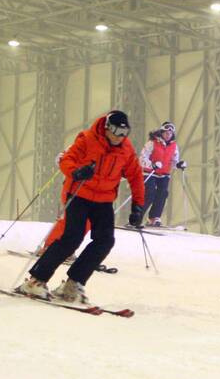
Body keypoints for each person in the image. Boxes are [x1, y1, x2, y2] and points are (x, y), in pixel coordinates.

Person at [18, 111, 145, 304]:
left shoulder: (125, 149)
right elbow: (67, 159)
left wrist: (138, 205)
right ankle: (36, 280)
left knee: (105, 241)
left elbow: (135, 176)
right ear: (107, 128)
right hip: (80, 194)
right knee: (72, 238)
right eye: (117, 131)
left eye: (125, 132)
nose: (120, 137)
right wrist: (77, 172)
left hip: (104, 199)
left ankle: (73, 283)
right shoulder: (87, 139)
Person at [138, 121, 187, 226]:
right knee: (149, 194)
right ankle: (137, 216)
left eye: (170, 133)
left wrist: (178, 164)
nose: (168, 135)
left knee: (162, 194)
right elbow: (142, 157)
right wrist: (152, 165)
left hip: (163, 174)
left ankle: (154, 218)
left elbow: (173, 161)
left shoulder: (174, 146)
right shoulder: (152, 142)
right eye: (166, 133)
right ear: (161, 132)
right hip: (150, 172)